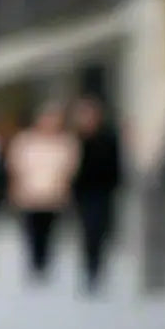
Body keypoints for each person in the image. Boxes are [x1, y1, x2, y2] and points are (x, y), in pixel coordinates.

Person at [6, 101, 80, 282]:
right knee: (32, 231)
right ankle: (34, 263)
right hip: (30, 195)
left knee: (49, 231)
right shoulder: (25, 141)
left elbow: (70, 167)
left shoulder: (65, 142)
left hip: (53, 196)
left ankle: (45, 263)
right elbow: (15, 166)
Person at [70, 93, 123, 292]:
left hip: (102, 192)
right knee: (87, 232)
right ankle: (90, 269)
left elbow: (116, 166)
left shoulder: (108, 137)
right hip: (83, 193)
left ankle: (97, 269)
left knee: (99, 232)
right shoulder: (76, 139)